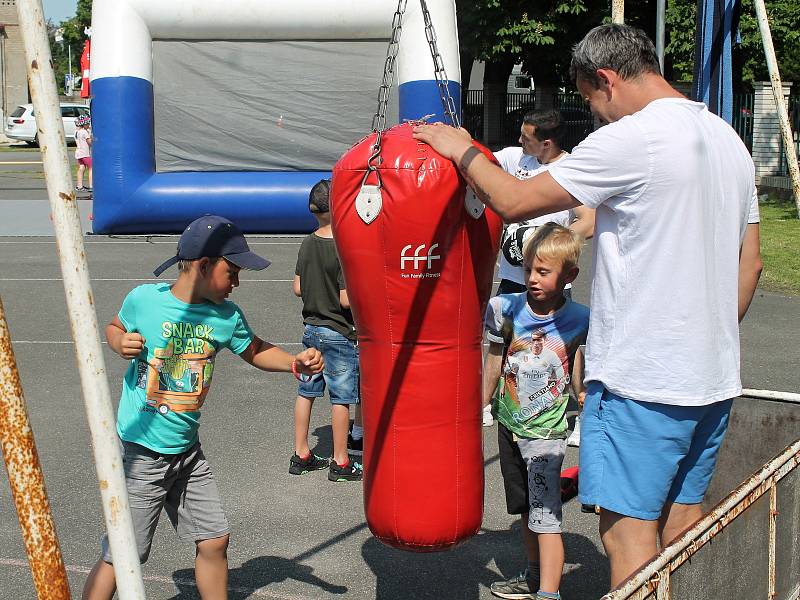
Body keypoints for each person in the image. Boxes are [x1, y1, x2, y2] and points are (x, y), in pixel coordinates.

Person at [414, 23, 762, 590]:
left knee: (627, 536)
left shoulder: (634, 138)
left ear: (605, 80)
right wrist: (709, 335)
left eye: (588, 99)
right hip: (713, 379)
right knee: (682, 528)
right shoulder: (726, 138)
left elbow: (515, 200)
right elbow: (751, 265)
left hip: (643, 382)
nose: (594, 114)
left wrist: (460, 148)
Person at [82, 215, 324, 600]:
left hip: (187, 451)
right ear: (203, 265)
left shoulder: (225, 316)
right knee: (125, 552)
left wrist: (293, 362)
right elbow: (116, 325)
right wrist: (117, 341)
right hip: (144, 454)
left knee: (214, 538)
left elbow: (256, 350)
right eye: (233, 271)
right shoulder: (145, 300)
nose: (237, 282)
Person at [483, 223, 589, 600]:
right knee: (527, 510)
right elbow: (494, 359)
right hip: (509, 426)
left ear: (569, 276)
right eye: (528, 269)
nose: (532, 278)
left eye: (543, 272)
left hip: (546, 436)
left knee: (546, 518)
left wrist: (584, 395)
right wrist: (482, 403)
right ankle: (532, 577)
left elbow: (580, 364)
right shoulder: (504, 309)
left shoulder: (581, 318)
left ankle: (548, 593)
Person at [483, 109, 595, 427]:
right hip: (512, 276)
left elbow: (589, 219)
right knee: (497, 340)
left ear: (546, 143)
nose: (519, 141)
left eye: (526, 138)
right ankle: (483, 406)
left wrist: (548, 244)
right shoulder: (515, 158)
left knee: (566, 346)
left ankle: (584, 411)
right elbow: (479, 161)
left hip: (551, 281)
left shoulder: (572, 170)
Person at [291, 179, 362, 482]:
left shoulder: (307, 242)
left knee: (306, 391)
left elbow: (297, 287)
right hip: (339, 333)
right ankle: (341, 460)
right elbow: (346, 299)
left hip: (311, 329)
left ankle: (301, 452)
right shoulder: (342, 248)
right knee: (341, 398)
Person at [74, 114, 92, 192]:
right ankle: (91, 186)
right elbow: (89, 142)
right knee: (91, 168)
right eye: (87, 123)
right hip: (85, 153)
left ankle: (79, 186)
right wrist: (94, 139)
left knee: (81, 168)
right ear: (84, 124)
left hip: (79, 153)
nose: (88, 125)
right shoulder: (85, 132)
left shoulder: (76, 132)